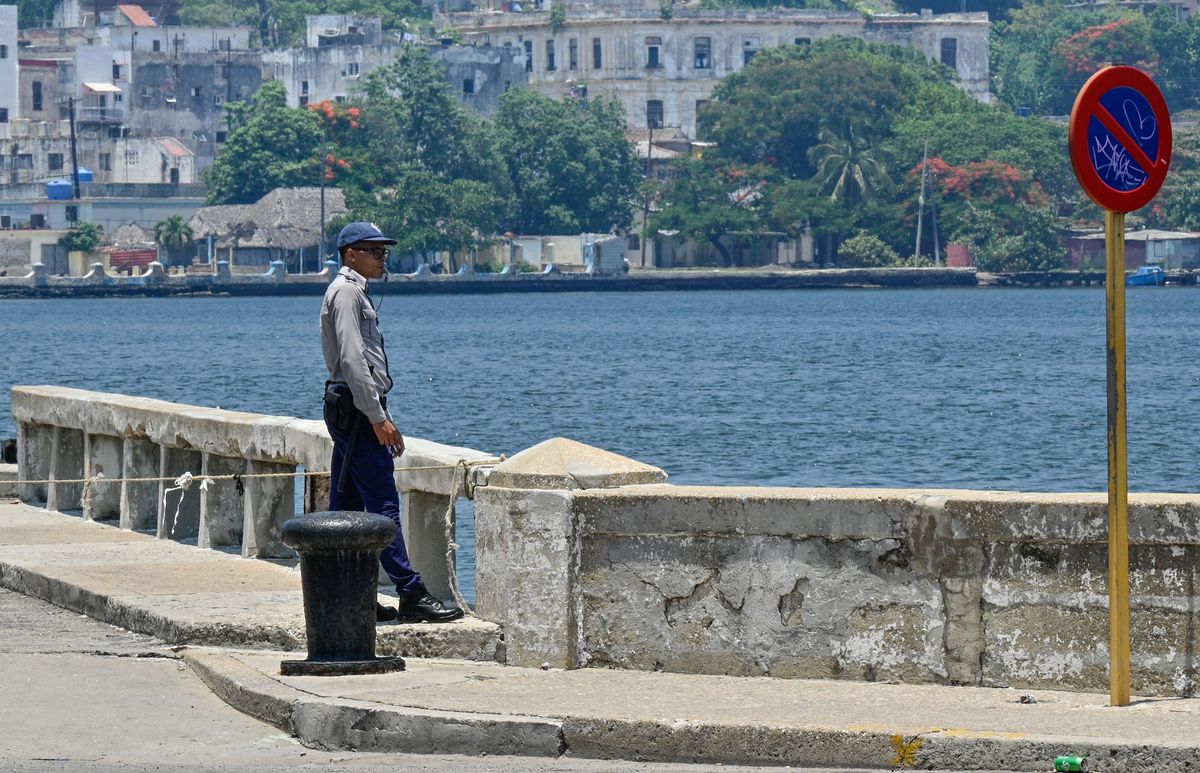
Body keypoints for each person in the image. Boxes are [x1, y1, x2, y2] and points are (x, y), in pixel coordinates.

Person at [320, 222, 464, 623]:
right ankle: (411, 593)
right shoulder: (347, 292)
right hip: (357, 410)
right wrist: (378, 418)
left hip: (351, 408)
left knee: (346, 506)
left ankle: (349, 597)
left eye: (385, 253)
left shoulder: (350, 291)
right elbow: (352, 360)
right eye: (375, 252)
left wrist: (378, 412)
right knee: (382, 505)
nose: (384, 259)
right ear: (351, 254)